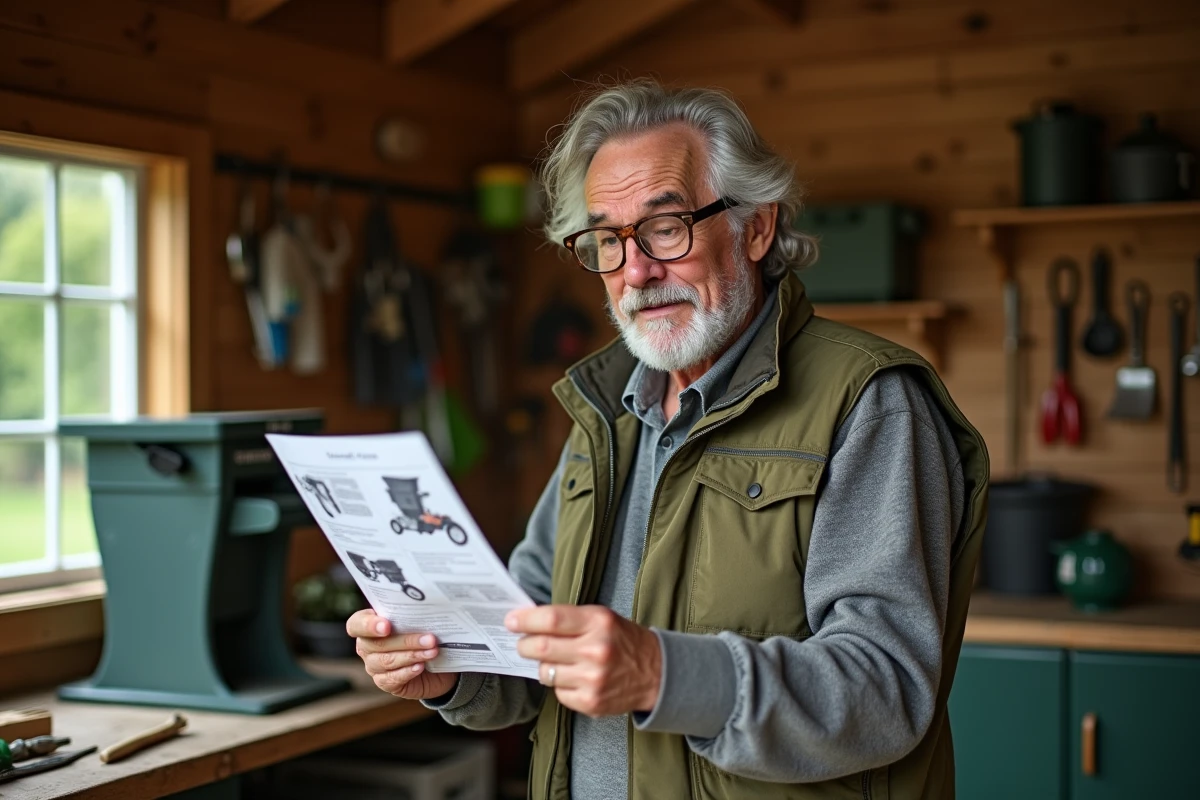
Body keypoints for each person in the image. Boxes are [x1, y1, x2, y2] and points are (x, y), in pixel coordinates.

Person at [348, 79, 989, 800]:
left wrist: (661, 674)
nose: (636, 272)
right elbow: (529, 636)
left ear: (755, 228)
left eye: (665, 227)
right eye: (607, 240)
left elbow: (885, 691)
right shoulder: (605, 413)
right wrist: (450, 668)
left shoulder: (868, 402)